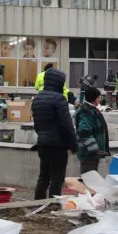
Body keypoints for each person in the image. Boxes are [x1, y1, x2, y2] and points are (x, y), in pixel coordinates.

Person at [31, 68, 77, 199]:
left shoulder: (37, 99)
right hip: (57, 146)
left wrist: (42, 137)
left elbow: (37, 124)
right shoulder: (59, 99)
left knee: (43, 177)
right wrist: (73, 145)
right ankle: (53, 207)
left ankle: (37, 205)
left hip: (42, 143)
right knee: (57, 179)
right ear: (58, 82)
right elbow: (67, 125)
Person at [74, 87, 111, 174]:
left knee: (92, 176)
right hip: (88, 152)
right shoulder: (86, 111)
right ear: (94, 98)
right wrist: (94, 148)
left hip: (92, 152)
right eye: (99, 97)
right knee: (88, 177)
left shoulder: (91, 109)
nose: (100, 99)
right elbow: (84, 132)